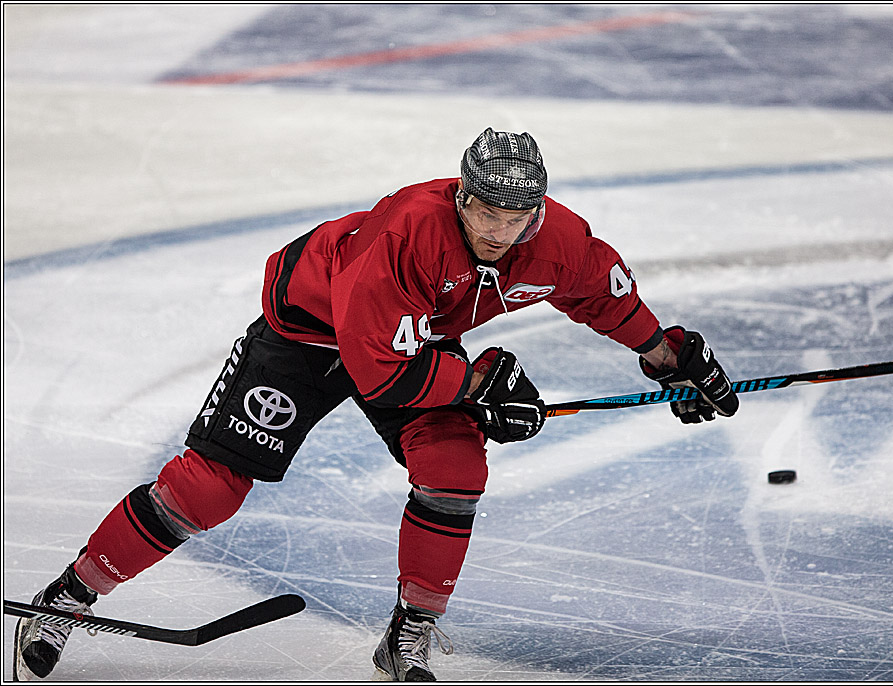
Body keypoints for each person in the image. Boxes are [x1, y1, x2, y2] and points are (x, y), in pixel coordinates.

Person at [13, 128, 739, 682]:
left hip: (408, 340)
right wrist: (480, 387)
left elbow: (604, 298)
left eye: (514, 218)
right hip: (307, 335)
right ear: (461, 194)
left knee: (455, 468)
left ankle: (406, 638)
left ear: (538, 212)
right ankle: (70, 594)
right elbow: (384, 374)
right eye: (484, 211)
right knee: (207, 489)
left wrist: (668, 355)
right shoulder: (406, 235)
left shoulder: (562, 244)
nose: (496, 230)